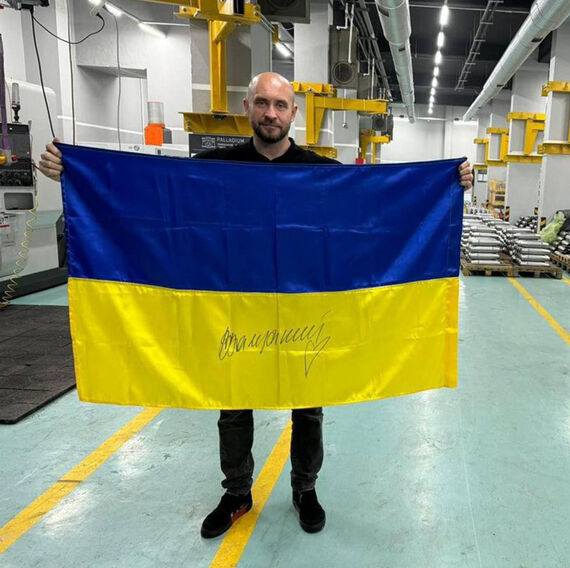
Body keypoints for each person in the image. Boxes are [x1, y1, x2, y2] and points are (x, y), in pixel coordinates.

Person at [38, 72, 474, 538]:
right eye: (262, 103)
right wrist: (74, 173)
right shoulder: (212, 170)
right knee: (233, 403)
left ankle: (305, 489)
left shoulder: (321, 174)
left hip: (304, 314)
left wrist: (448, 183)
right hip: (235, 311)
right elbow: (149, 200)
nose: (271, 113)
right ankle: (237, 493)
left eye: (280, 105)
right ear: (246, 107)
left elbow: (376, 212)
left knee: (308, 406)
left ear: (293, 113)